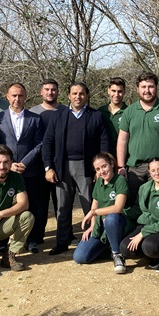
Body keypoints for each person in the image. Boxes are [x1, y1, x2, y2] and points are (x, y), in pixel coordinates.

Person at [43, 83, 110, 255]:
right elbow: (48, 142)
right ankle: (62, 241)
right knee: (63, 206)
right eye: (74, 93)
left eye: (81, 93)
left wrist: (100, 169)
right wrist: (48, 167)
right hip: (62, 166)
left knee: (89, 204)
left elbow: (104, 143)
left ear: (87, 95)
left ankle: (90, 240)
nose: (77, 96)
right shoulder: (58, 115)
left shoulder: (96, 116)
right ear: (68, 95)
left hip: (86, 166)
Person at [0, 83, 46, 255]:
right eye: (14, 95)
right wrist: (10, 163)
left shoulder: (35, 119)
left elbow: (40, 144)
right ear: (7, 96)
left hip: (29, 171)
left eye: (20, 95)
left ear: (25, 96)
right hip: (5, 171)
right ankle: (3, 243)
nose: (17, 99)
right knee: (4, 205)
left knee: (33, 206)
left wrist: (25, 163)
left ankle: (32, 240)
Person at [117, 72, 159, 203]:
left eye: (150, 86)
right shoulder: (129, 111)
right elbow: (122, 140)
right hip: (135, 169)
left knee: (158, 205)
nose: (147, 90)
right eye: (143, 87)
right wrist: (121, 166)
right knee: (133, 205)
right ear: (137, 89)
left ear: (156, 88)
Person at [73, 153, 139, 273]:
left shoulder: (120, 180)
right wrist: (92, 226)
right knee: (80, 257)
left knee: (111, 218)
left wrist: (94, 213)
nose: (102, 171)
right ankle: (108, 246)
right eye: (98, 169)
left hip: (118, 223)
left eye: (104, 166)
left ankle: (117, 254)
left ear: (112, 164)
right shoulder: (99, 182)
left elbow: (118, 207)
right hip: (101, 225)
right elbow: (95, 203)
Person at [119, 158, 159, 273]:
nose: (157, 173)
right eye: (153, 170)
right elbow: (137, 210)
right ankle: (152, 255)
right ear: (149, 172)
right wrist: (120, 211)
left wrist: (143, 233)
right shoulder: (144, 188)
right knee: (125, 248)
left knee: (149, 246)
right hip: (147, 224)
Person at [30, 78, 66, 252]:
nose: (50, 92)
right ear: (41, 92)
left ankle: (65, 233)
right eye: (47, 89)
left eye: (53, 89)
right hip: (38, 166)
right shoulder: (33, 112)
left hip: (60, 164)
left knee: (61, 201)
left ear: (58, 92)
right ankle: (37, 235)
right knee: (40, 203)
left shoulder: (65, 111)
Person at [99, 77, 128, 148]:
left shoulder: (129, 112)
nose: (116, 94)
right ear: (108, 91)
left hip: (124, 155)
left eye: (120, 91)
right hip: (104, 155)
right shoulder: (100, 111)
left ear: (124, 92)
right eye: (113, 91)